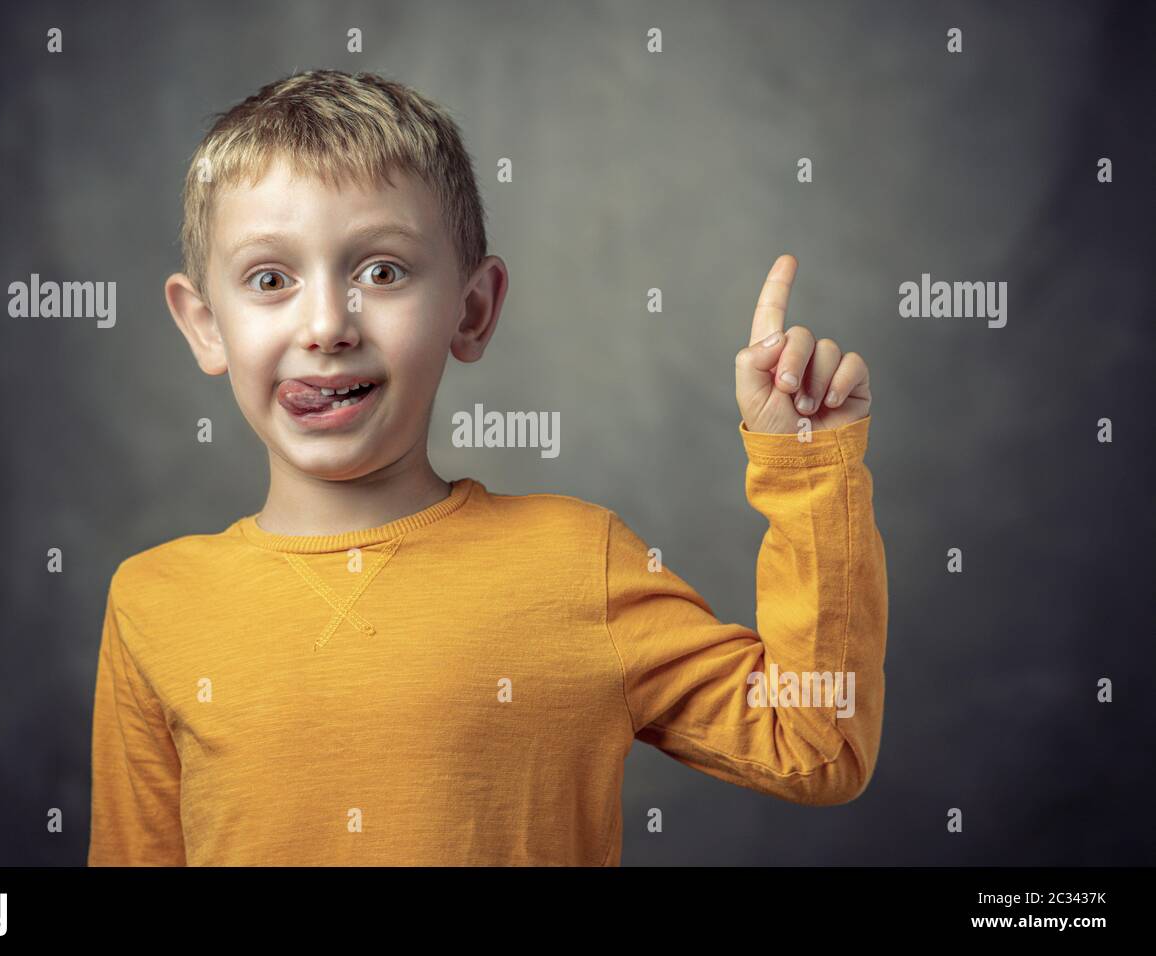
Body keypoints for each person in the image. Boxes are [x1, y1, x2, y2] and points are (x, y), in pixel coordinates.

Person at [87, 69, 886, 866]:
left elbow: (816, 743)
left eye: (382, 272)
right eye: (270, 279)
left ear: (472, 310)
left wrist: (808, 469)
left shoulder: (578, 563)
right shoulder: (153, 603)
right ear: (205, 326)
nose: (327, 324)